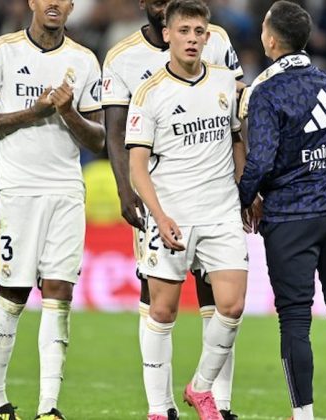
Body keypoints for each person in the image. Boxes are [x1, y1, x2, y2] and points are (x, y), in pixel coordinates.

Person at [0, 0, 105, 418]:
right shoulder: (1, 51)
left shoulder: (84, 60)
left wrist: (67, 111)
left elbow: (98, 139)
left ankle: (48, 409)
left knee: (60, 292)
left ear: (72, 5)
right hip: (17, 189)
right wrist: (34, 112)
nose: (54, 3)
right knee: (14, 292)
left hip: (65, 190)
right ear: (32, 2)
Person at [237, 2, 326, 419]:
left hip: (290, 217)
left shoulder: (266, 91)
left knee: (295, 320)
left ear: (270, 39)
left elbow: (261, 161)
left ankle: (303, 414)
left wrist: (243, 198)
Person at [101, 0, 242, 417]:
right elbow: (133, 157)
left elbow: (238, 134)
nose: (192, 39)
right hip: (170, 210)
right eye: (184, 31)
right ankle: (160, 408)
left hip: (220, 210)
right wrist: (153, 212)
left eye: (198, 32)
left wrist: (247, 188)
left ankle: (206, 391)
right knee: (161, 309)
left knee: (230, 306)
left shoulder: (223, 77)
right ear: (168, 34)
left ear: (207, 36)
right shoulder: (146, 88)